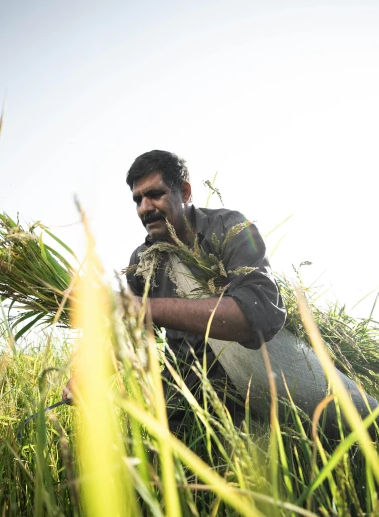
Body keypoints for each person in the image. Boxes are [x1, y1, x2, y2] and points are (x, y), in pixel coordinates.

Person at [117, 150, 287, 433]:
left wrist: (145, 308)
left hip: (248, 395)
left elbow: (260, 314)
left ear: (184, 192)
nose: (144, 208)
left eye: (155, 194)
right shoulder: (142, 262)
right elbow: (134, 340)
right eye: (138, 199)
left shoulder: (230, 229)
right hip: (182, 402)